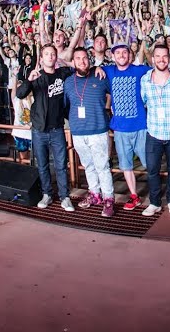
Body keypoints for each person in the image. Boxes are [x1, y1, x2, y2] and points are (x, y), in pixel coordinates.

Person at [65, 48, 116, 217]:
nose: (82, 61)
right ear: (73, 62)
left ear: (90, 60)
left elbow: (114, 92)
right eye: (78, 58)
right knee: (88, 165)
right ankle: (95, 194)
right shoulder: (68, 82)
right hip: (78, 131)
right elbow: (66, 106)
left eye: (85, 58)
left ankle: (108, 198)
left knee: (102, 166)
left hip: (98, 130)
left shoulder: (100, 76)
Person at [23, 44, 75, 211]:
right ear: (41, 58)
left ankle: (65, 196)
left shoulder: (62, 73)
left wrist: (65, 61)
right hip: (39, 130)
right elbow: (20, 94)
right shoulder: (36, 76)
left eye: (53, 54)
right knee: (43, 165)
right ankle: (47, 194)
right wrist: (29, 80)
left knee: (61, 165)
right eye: (47, 54)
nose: (50, 57)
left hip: (57, 129)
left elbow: (80, 68)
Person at [140, 44, 170, 216]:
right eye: (158, 56)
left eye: (165, 56)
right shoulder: (145, 80)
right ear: (153, 59)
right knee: (152, 170)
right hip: (154, 132)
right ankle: (155, 202)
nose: (161, 59)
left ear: (169, 58)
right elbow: (143, 102)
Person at [105, 44, 151, 211]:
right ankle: (134, 195)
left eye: (125, 52)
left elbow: (163, 70)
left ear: (130, 55)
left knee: (149, 162)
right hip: (120, 129)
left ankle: (155, 194)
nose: (121, 55)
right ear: (113, 56)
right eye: (118, 52)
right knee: (126, 165)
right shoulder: (108, 71)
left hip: (140, 126)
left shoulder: (139, 70)